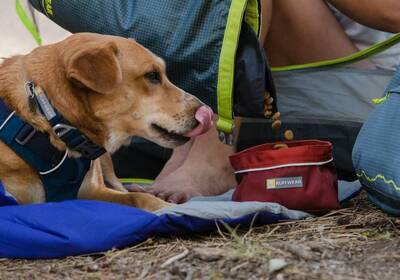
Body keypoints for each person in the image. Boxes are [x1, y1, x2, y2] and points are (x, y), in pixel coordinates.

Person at [133, 0, 400, 203]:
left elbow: (392, 12)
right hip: (315, 82)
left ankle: (215, 154)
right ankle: (189, 146)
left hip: (379, 96)